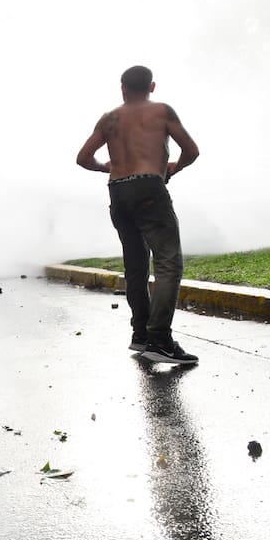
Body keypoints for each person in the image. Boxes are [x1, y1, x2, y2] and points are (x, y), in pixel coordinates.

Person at [76, 65, 201, 365]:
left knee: (135, 265)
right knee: (168, 262)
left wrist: (107, 167)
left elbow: (82, 158)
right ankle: (159, 340)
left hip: (118, 191)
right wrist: (173, 167)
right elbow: (191, 150)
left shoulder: (110, 119)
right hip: (149, 188)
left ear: (122, 89)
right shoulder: (162, 111)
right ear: (152, 87)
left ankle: (141, 334)